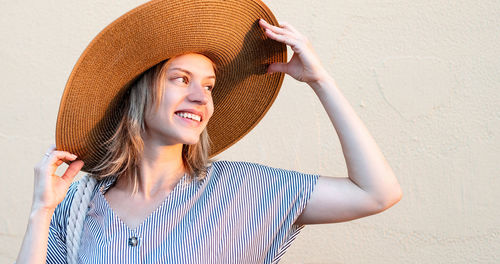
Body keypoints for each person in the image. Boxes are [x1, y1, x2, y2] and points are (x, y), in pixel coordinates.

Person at [16, 0, 402, 263]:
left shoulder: (247, 191)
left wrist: (320, 80)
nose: (201, 97)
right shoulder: (78, 206)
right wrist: (41, 211)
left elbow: (376, 192)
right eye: (181, 79)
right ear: (139, 91)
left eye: (210, 85)